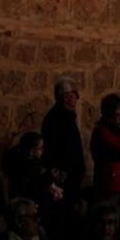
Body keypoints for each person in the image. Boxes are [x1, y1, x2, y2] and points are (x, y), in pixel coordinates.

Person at [43, 76, 88, 211]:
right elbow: (57, 148)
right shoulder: (57, 119)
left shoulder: (66, 117)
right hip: (65, 177)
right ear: (66, 97)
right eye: (74, 94)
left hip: (71, 175)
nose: (77, 98)